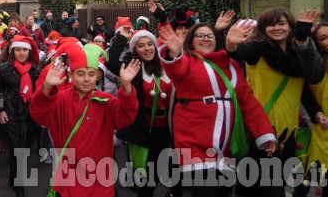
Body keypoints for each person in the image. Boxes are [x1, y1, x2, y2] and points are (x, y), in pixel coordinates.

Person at [159, 23, 277, 197]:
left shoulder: (233, 66)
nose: (205, 39)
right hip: (194, 144)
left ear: (217, 40)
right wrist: (174, 53)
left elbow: (248, 103)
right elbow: (175, 69)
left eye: (210, 36)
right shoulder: (188, 61)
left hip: (229, 147)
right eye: (200, 36)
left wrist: (265, 135)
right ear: (191, 41)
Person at [226, 8, 327, 197]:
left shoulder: (297, 57)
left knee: (254, 186)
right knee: (270, 187)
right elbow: (237, 52)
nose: (276, 28)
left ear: (290, 27)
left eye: (281, 23)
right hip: (261, 130)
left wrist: (317, 113)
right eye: (271, 24)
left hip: (288, 133)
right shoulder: (258, 49)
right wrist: (230, 42)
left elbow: (302, 88)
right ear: (263, 29)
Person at [30, 40, 141, 197]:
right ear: (71, 74)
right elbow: (39, 114)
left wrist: (127, 86)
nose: (87, 79)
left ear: (97, 75)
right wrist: (47, 87)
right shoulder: (59, 99)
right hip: (68, 175)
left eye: (91, 74)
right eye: (81, 74)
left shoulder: (106, 101)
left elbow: (126, 117)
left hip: (99, 175)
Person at [106, 28, 175, 197]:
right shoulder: (134, 67)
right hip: (142, 128)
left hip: (168, 129)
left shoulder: (168, 64)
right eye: (141, 46)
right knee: (145, 176)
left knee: (165, 170)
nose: (147, 48)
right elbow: (112, 63)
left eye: (150, 44)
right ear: (135, 50)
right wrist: (122, 38)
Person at [293, 22, 328, 196]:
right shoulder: (321, 70)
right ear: (318, 46)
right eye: (323, 38)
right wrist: (302, 40)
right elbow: (308, 58)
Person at [0, 35, 41, 197]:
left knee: (24, 148)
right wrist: (0, 111)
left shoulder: (36, 69)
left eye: (24, 50)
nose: (21, 53)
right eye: (18, 50)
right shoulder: (4, 68)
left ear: (29, 51)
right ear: (13, 51)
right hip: (11, 114)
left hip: (30, 116)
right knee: (16, 149)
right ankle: (19, 186)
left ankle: (14, 178)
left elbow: (40, 92)